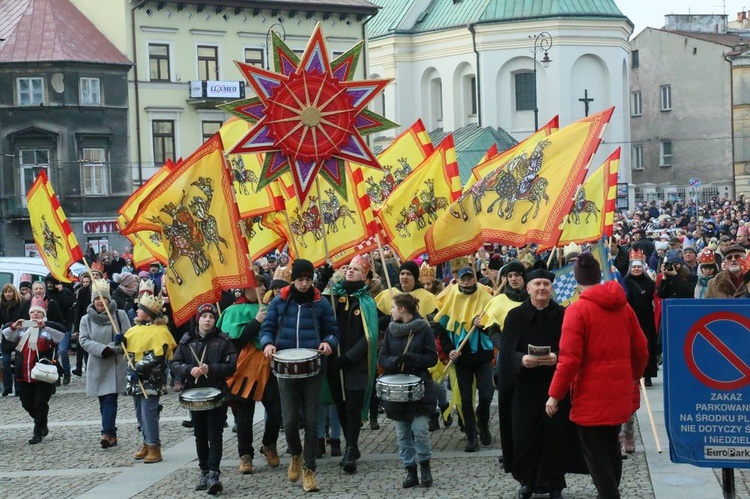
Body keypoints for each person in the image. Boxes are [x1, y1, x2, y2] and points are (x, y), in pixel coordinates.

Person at [546, 253, 649, 499]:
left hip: (590, 393)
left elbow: (569, 359)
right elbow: (642, 348)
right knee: (612, 446)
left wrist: (554, 395)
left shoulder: (577, 310)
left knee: (595, 454)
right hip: (619, 390)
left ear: (578, 281)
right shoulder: (624, 306)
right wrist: (632, 377)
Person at [499, 264, 583, 499]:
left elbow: (573, 348)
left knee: (555, 435)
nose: (542, 288)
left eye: (546, 284)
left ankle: (555, 483)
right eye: (537, 284)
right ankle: (527, 481)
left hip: (554, 386)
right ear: (528, 288)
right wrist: (520, 359)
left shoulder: (564, 314)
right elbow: (506, 353)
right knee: (524, 435)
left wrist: (556, 357)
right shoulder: (515, 316)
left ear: (551, 288)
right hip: (523, 387)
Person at [260, 259, 339, 493]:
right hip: (284, 368)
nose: (304, 284)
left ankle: (310, 469)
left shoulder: (320, 303)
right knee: (291, 420)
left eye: (308, 279)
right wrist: (267, 344)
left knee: (313, 421)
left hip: (313, 367)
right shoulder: (279, 302)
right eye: (300, 279)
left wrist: (328, 343)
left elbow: (333, 331)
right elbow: (268, 329)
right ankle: (295, 453)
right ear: (293, 279)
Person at [172, 303, 237, 495]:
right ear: (197, 319)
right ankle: (204, 470)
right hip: (194, 393)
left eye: (211, 317)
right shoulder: (187, 341)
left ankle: (214, 473)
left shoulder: (223, 340)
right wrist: (188, 370)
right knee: (200, 434)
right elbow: (175, 364)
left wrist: (212, 368)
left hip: (216, 392)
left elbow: (232, 366)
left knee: (214, 434)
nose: (208, 320)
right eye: (204, 316)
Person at [220, 279, 282, 475]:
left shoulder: (270, 307)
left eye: (264, 285)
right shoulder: (232, 311)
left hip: (268, 365)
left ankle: (269, 444)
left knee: (276, 409)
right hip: (244, 368)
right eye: (260, 285)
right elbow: (234, 341)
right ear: (247, 287)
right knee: (244, 415)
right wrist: (255, 322)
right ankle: (245, 455)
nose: (264, 289)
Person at [378, 293, 438, 488]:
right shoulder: (391, 330)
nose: (391, 311)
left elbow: (432, 358)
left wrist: (413, 359)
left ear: (402, 309)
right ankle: (410, 469)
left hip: (419, 387)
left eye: (393, 307)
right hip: (397, 391)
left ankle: (425, 466)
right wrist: (393, 362)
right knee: (402, 433)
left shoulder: (424, 329)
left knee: (420, 430)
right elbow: (382, 357)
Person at [329, 255, 379, 474]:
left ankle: (350, 449)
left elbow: (370, 336)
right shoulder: (332, 297)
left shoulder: (367, 302)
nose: (350, 271)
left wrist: (348, 357)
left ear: (365, 276)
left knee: (353, 407)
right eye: (348, 268)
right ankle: (352, 445)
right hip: (334, 362)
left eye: (356, 269)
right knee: (340, 405)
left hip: (355, 363)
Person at [434, 267, 493, 452]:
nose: (467, 282)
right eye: (463, 279)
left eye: (470, 279)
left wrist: (481, 325)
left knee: (486, 394)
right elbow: (442, 330)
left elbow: (495, 325)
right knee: (465, 398)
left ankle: (482, 422)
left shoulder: (486, 298)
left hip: (483, 354)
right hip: (461, 356)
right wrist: (450, 350)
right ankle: (471, 435)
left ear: (475, 279)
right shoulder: (451, 299)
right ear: (458, 281)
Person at [123, 293, 177, 464]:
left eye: (141, 309)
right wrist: (118, 343)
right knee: (140, 412)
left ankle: (154, 445)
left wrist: (138, 368)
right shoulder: (134, 330)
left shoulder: (160, 332)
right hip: (135, 379)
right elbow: (126, 350)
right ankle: (146, 441)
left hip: (151, 379)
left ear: (148, 313)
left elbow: (157, 356)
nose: (137, 311)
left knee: (149, 412)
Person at [2, 297, 65, 443]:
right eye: (33, 312)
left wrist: (45, 325)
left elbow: (60, 334)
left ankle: (37, 431)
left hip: (43, 373)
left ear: (43, 314)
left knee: (39, 403)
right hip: (23, 372)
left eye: (38, 312)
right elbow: (6, 334)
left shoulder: (48, 330)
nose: (35, 314)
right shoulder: (22, 330)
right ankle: (42, 421)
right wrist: (14, 326)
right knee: (26, 402)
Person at [79, 279, 130, 449]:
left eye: (103, 298)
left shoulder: (119, 314)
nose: (100, 302)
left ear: (108, 299)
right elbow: (83, 340)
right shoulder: (86, 319)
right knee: (103, 401)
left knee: (110, 400)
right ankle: (112, 433)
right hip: (97, 363)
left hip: (115, 364)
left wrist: (114, 346)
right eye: (97, 299)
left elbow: (128, 336)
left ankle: (106, 433)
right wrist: (101, 349)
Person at [0, 284, 23, 396]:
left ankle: (19, 388)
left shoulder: (20, 303)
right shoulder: (1, 305)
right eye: (6, 292)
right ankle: (7, 387)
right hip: (6, 336)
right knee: (5, 362)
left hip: (18, 335)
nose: (8, 294)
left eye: (10, 292)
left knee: (18, 363)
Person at [72, 273, 92, 376]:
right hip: (83, 321)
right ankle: (79, 366)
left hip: (93, 321)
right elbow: (78, 310)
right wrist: (76, 328)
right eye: (83, 282)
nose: (85, 284)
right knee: (81, 345)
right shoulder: (81, 291)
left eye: (87, 282)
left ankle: (88, 366)